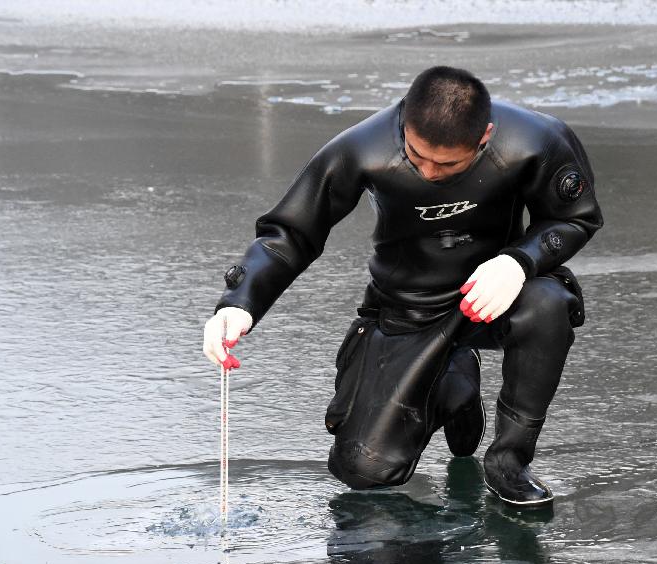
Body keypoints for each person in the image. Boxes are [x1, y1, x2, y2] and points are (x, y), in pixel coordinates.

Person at [202, 66, 603, 507]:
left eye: (448, 163)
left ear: (485, 136)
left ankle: (509, 461)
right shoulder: (361, 147)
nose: (430, 171)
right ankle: (454, 385)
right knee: (365, 470)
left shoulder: (536, 141)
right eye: (417, 156)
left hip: (494, 295)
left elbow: (577, 216)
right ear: (403, 124)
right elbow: (291, 233)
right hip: (406, 309)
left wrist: (518, 261)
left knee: (548, 302)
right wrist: (239, 304)